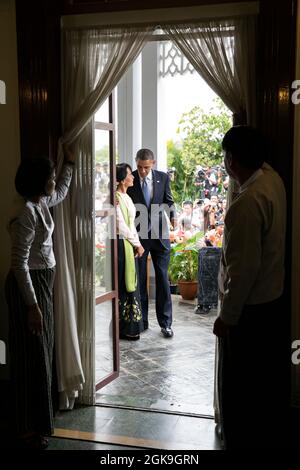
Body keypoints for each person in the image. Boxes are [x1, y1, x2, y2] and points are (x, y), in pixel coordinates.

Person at [213, 125, 287, 449]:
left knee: (240, 392)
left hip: (250, 313)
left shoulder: (246, 203)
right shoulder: (273, 181)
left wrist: (226, 318)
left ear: (232, 160)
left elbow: (242, 272)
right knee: (262, 389)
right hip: (273, 303)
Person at [5, 146, 75, 449]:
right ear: (38, 181)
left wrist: (69, 163)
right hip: (27, 288)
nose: (53, 179)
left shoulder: (42, 202)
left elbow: (60, 192)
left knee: (41, 355)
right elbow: (18, 264)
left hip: (41, 283)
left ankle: (37, 423)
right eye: (50, 176)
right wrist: (33, 306)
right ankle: (24, 427)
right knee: (30, 357)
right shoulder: (26, 214)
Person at [127, 149, 176, 338]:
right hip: (139, 237)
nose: (143, 171)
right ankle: (142, 322)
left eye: (146, 167)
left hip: (160, 235)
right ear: (136, 163)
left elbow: (169, 201)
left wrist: (172, 218)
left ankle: (166, 324)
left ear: (153, 163)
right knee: (140, 279)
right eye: (139, 167)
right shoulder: (130, 179)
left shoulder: (163, 178)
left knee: (163, 278)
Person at [116, 163, 144, 340]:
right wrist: (136, 243)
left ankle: (131, 327)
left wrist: (137, 244)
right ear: (121, 179)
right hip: (120, 245)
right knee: (123, 286)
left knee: (132, 285)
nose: (133, 176)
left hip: (129, 244)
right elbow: (121, 226)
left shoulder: (127, 197)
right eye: (129, 174)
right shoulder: (116, 198)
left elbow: (131, 225)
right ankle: (123, 327)